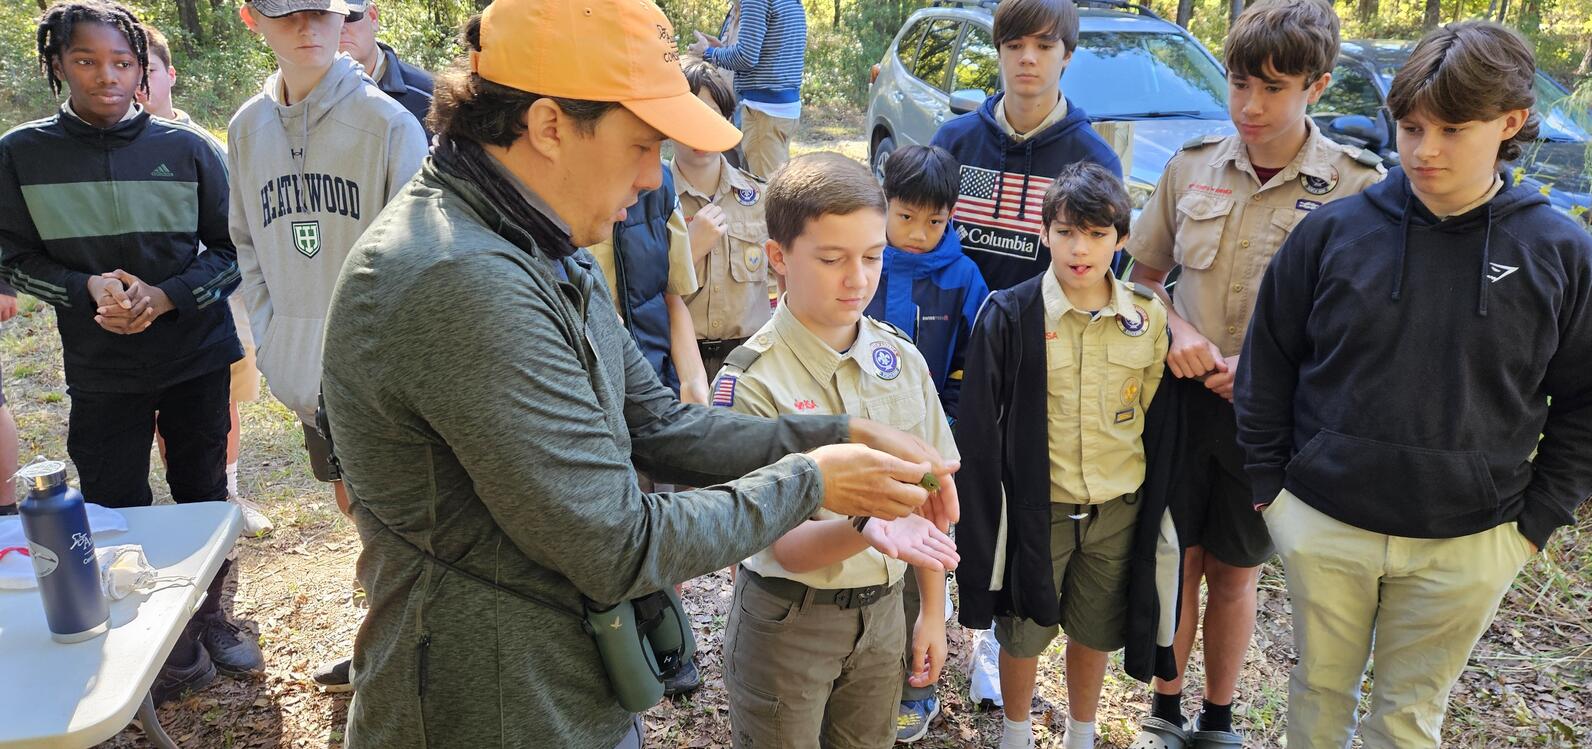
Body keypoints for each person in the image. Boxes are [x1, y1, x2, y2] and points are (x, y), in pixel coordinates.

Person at [317, 1, 960, 746]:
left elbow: (658, 424)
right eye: (641, 145)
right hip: (485, 704)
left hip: (561, 681)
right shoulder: (459, 278)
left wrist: (839, 429)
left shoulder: (539, 245)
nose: (654, 179)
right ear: (551, 124)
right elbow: (618, 540)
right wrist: (814, 479)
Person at [1236, 21, 1592, 748]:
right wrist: (1273, 493)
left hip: (1470, 541)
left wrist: (1533, 525)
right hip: (1323, 523)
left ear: (1512, 123)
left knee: (1407, 721)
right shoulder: (1332, 233)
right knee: (1315, 701)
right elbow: (1266, 363)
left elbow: (1585, 401)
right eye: (1411, 125)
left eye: (1453, 129)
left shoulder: (1560, 252)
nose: (1425, 149)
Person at [1121, 2, 1385, 745]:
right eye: (1239, 83)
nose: (1250, 105)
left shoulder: (1355, 188)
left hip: (1272, 417)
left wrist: (1270, 370)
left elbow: (1358, 325)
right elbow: (1142, 275)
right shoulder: (1192, 165)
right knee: (1178, 556)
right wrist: (1172, 327)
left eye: (1273, 88)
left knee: (1236, 570)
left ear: (1319, 86)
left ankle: (1219, 717)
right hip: (1178, 403)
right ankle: (1164, 709)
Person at [0, 0, 259, 703]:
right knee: (116, 499)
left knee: (202, 491)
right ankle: (154, 635)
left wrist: (168, 295)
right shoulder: (21, 155)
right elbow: (11, 258)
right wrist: (85, 287)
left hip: (195, 356)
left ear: (144, 68)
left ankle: (211, 616)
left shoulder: (189, 149)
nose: (104, 77)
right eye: (85, 61)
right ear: (57, 64)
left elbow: (235, 251)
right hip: (100, 366)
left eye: (121, 63)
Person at [712, 152, 955, 749]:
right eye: (831, 259)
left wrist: (929, 610)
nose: (858, 278)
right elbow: (786, 547)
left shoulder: (901, 361)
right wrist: (869, 525)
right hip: (789, 624)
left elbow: (931, 501)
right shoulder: (751, 382)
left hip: (883, 618)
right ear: (778, 258)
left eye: (873, 257)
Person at [228, 0, 426, 691]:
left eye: (321, 11)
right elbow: (249, 244)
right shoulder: (247, 130)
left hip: (380, 383)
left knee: (403, 527)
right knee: (356, 511)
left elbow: (420, 261)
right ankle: (389, 647)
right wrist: (280, 345)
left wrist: (379, 372)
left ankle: (403, 665)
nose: (309, 28)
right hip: (305, 377)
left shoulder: (388, 125)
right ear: (252, 19)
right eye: (288, 14)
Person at [955, 162, 1170, 749]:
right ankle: (1016, 731)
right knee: (1022, 630)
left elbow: (1150, 412)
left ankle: (1082, 730)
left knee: (1096, 627)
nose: (1081, 249)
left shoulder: (1145, 318)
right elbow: (982, 426)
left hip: (1115, 509)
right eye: (1068, 231)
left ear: (1122, 240)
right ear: (1044, 232)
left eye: (1098, 235)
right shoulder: (1010, 313)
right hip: (1036, 510)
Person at [138, 23, 273, 536]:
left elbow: (237, 227)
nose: (141, 84)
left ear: (169, 73)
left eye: (148, 69)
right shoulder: (107, 146)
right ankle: (184, 500)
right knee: (157, 405)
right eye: (132, 71)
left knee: (223, 400)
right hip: (141, 307)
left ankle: (226, 491)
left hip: (214, 298)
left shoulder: (205, 144)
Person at [929, 0, 1120, 292]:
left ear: (1067, 54)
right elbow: (910, 246)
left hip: (1042, 333)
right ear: (999, 51)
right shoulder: (953, 142)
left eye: (1044, 46)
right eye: (1014, 45)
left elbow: (1100, 279)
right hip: (954, 331)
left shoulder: (1096, 160)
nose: (1028, 58)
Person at [865, 144, 988, 424]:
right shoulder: (859, 261)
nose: (919, 234)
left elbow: (971, 359)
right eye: (906, 217)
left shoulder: (964, 278)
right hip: (856, 425)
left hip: (932, 427)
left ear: (951, 213)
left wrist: (949, 419)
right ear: (885, 201)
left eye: (934, 221)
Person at [673, 60, 773, 378]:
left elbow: (787, 281)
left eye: (712, 116)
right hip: (677, 363)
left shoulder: (761, 198)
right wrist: (686, 253)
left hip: (750, 364)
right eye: (688, 116)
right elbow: (639, 294)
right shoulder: (648, 200)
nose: (700, 129)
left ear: (728, 121)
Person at [584, 178, 710, 403]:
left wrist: (694, 382)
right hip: (593, 389)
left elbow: (671, 298)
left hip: (656, 385)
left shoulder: (660, 188)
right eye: (642, 146)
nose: (655, 171)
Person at [688, 0, 805, 179]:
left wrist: (707, 53)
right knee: (777, 182)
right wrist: (722, 50)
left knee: (766, 190)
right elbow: (769, 51)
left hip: (762, 110)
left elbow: (746, 57)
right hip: (783, 108)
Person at [337, 0, 434, 136]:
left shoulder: (429, 97)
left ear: (373, 17)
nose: (340, 27)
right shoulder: (302, 98)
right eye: (326, 18)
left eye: (349, 15)